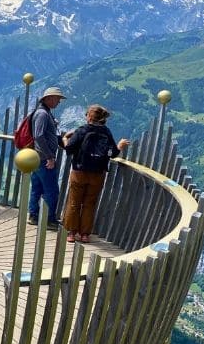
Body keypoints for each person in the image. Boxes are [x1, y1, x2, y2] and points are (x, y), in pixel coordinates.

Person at [62, 105, 130, 243]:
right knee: (89, 204)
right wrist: (120, 145)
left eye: (87, 114)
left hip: (79, 172)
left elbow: (69, 149)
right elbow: (112, 153)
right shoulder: (106, 132)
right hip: (97, 174)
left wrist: (65, 138)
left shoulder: (82, 130)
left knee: (74, 202)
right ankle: (85, 234)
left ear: (90, 116)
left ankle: (71, 233)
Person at [27, 86, 67, 229]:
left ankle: (34, 215)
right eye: (57, 99)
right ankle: (49, 220)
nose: (59, 102)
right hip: (44, 159)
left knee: (37, 187)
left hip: (38, 158)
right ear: (49, 99)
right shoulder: (43, 114)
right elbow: (39, 136)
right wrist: (50, 157)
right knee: (51, 190)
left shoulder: (45, 113)